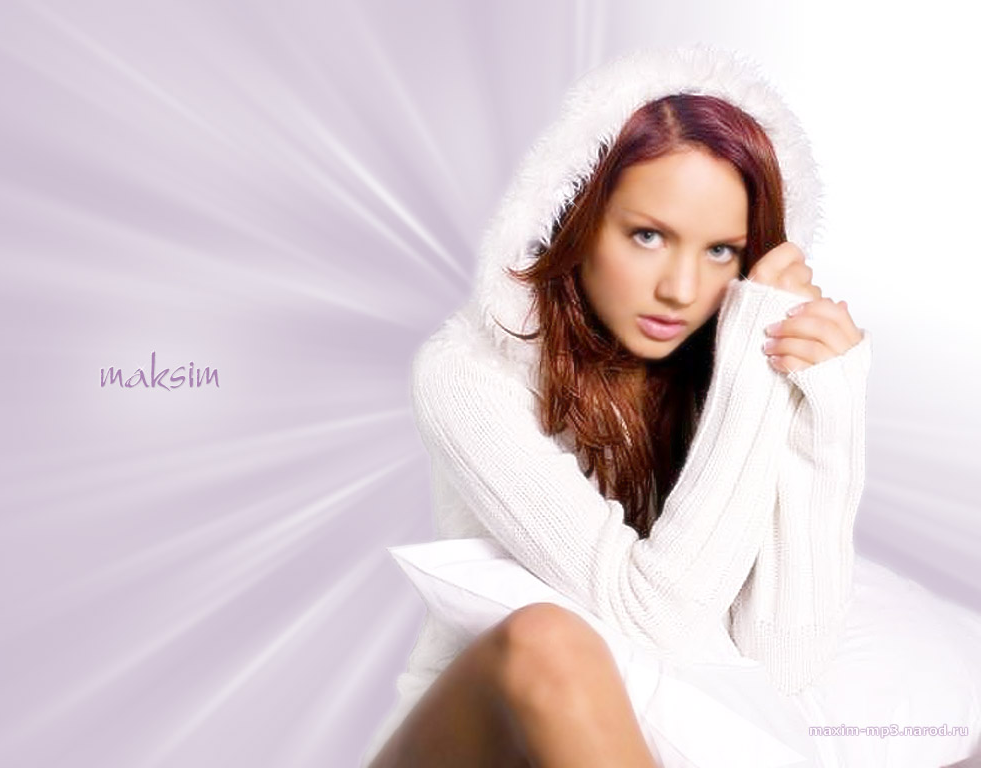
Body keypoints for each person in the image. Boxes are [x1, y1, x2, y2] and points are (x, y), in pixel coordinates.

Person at [361, 45, 981, 768]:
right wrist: (753, 362)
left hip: (636, 741)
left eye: (722, 252)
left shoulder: (723, 376)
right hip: (477, 736)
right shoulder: (470, 372)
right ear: (576, 216)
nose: (681, 290)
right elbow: (658, 619)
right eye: (648, 236)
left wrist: (826, 416)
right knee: (549, 639)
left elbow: (781, 666)